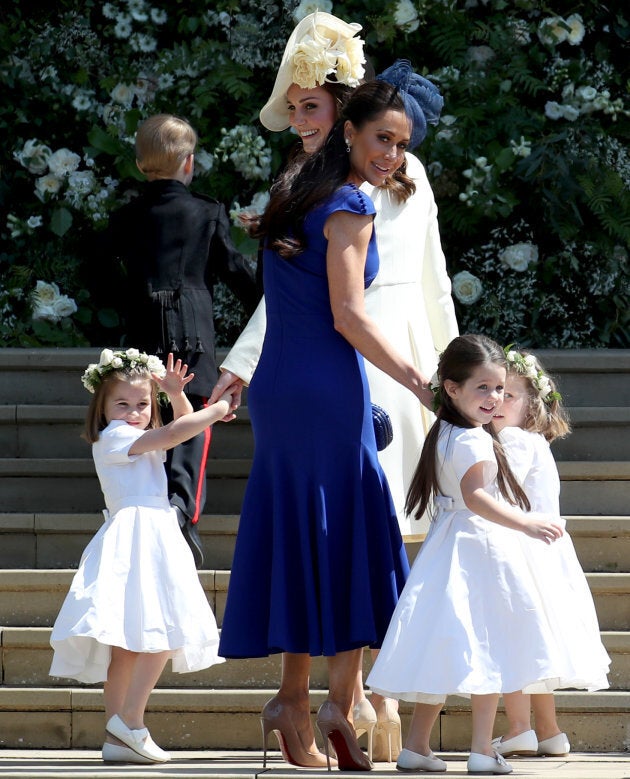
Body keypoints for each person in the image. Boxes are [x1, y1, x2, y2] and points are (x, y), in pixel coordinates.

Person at [210, 11, 458, 761]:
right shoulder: (347, 202)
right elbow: (349, 314)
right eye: (382, 138)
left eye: (401, 142)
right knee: (351, 534)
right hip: (331, 378)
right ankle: (330, 706)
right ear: (351, 130)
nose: (393, 154)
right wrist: (424, 382)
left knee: (307, 530)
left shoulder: (295, 186)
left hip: (290, 383)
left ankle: (302, 701)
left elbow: (304, 299)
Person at [366, 334, 571, 776]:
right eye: (484, 387)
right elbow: (476, 496)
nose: (495, 398)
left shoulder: (444, 429)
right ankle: (481, 749)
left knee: (443, 645)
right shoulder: (475, 439)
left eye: (500, 388)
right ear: (452, 388)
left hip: (448, 546)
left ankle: (417, 745)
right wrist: (527, 522)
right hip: (481, 546)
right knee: (489, 646)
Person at [49, 348, 239, 764]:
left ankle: (118, 738)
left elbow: (180, 429)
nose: (134, 412)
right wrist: (220, 406)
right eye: (123, 403)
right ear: (102, 407)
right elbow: (175, 434)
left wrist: (175, 395)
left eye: (142, 404)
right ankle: (130, 721)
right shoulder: (115, 437)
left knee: (130, 646)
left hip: (150, 533)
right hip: (140, 534)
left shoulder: (136, 437)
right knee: (163, 631)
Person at [103, 114, 260, 568]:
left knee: (144, 417)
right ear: (189, 163)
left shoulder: (127, 215)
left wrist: (129, 296)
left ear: (139, 164)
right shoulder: (207, 211)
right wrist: (270, 311)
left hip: (144, 330)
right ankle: (181, 511)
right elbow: (235, 272)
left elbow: (95, 266)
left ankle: (152, 509)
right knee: (192, 424)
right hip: (194, 332)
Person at [490, 348, 610, 758]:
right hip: (544, 555)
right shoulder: (533, 441)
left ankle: (520, 727)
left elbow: (498, 493)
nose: (499, 402)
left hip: (522, 553)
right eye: (496, 392)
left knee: (514, 642)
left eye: (511, 395)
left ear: (531, 406)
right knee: (535, 646)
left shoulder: (512, 440)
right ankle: (549, 730)